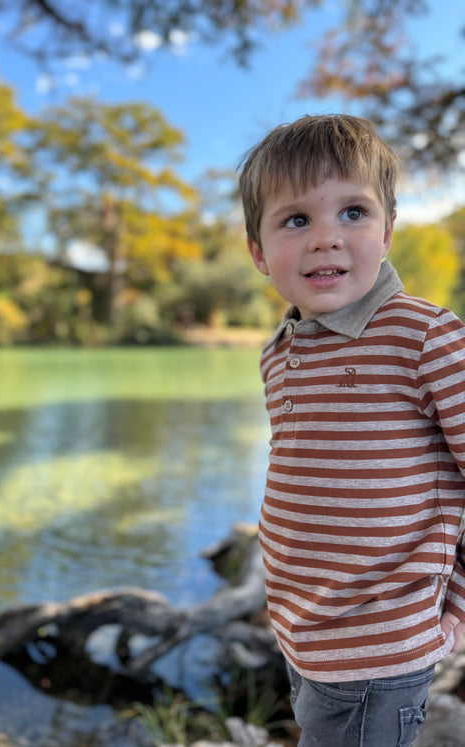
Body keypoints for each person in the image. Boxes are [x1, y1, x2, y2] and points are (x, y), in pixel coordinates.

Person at [238, 114, 465, 747]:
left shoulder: (423, 336)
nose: (326, 239)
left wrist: (461, 605)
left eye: (353, 213)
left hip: (381, 651)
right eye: (296, 219)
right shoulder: (277, 355)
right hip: (301, 632)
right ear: (258, 251)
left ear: (388, 230)